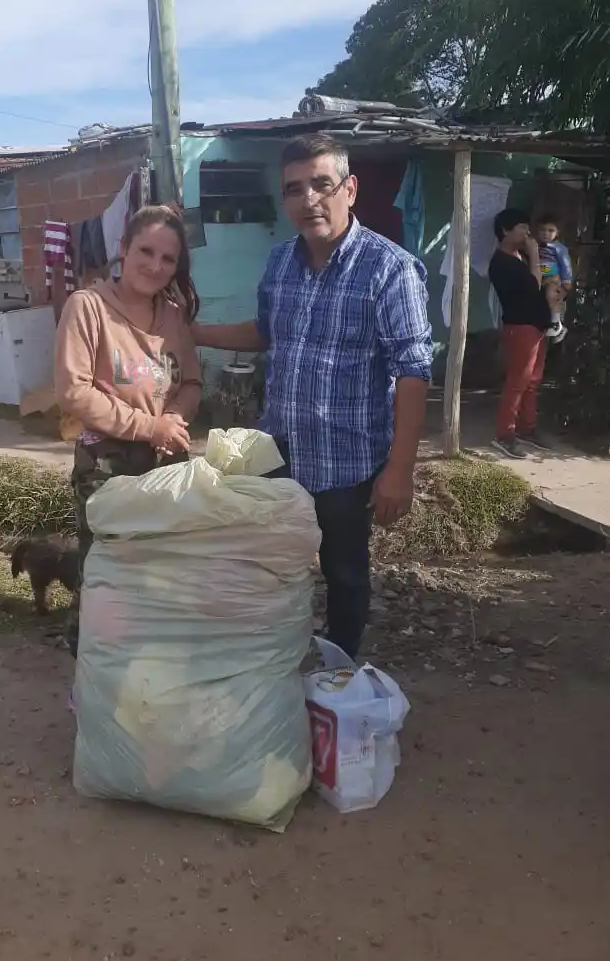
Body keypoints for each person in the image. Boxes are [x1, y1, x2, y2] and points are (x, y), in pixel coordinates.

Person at [192, 133, 433, 661]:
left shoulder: (390, 269)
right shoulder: (280, 263)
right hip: (281, 453)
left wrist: (401, 469)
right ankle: (279, 655)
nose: (309, 200)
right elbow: (266, 331)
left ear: (350, 189)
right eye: (295, 189)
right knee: (274, 560)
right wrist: (195, 333)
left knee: (344, 571)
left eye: (322, 185)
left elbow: (413, 372)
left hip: (347, 463)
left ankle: (338, 667)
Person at [55, 205, 202, 657]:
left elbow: (193, 381)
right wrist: (148, 426)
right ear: (122, 249)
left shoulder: (173, 316)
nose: (155, 266)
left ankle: (149, 658)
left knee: (158, 566)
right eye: (146, 251)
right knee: (107, 567)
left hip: (164, 457)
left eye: (168, 258)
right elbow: (74, 393)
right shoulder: (89, 307)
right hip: (108, 463)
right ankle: (94, 662)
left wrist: (173, 419)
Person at [488, 208, 554, 459]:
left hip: (536, 325)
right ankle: (505, 434)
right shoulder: (501, 262)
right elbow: (533, 284)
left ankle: (528, 428)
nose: (528, 232)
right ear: (505, 230)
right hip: (521, 326)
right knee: (518, 381)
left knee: (532, 381)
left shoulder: (518, 257)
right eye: (522, 227)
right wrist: (535, 254)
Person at [534, 212, 572, 343]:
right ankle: (558, 327)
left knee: (551, 295)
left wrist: (566, 282)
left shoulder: (559, 248)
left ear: (557, 232)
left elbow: (565, 265)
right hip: (540, 276)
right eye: (542, 230)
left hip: (553, 275)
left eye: (551, 230)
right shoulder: (535, 245)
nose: (546, 233)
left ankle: (556, 322)